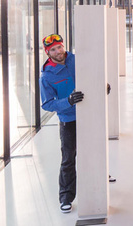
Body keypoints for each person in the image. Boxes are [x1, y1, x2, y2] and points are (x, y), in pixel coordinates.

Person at [39, 33, 84, 213]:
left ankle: (101, 177)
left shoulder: (76, 59)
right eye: (54, 50)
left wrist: (103, 85)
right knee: (68, 159)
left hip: (88, 115)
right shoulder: (46, 76)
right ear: (48, 53)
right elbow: (47, 104)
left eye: (60, 47)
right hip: (68, 120)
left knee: (95, 151)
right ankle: (65, 196)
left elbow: (93, 72)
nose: (59, 51)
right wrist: (68, 101)